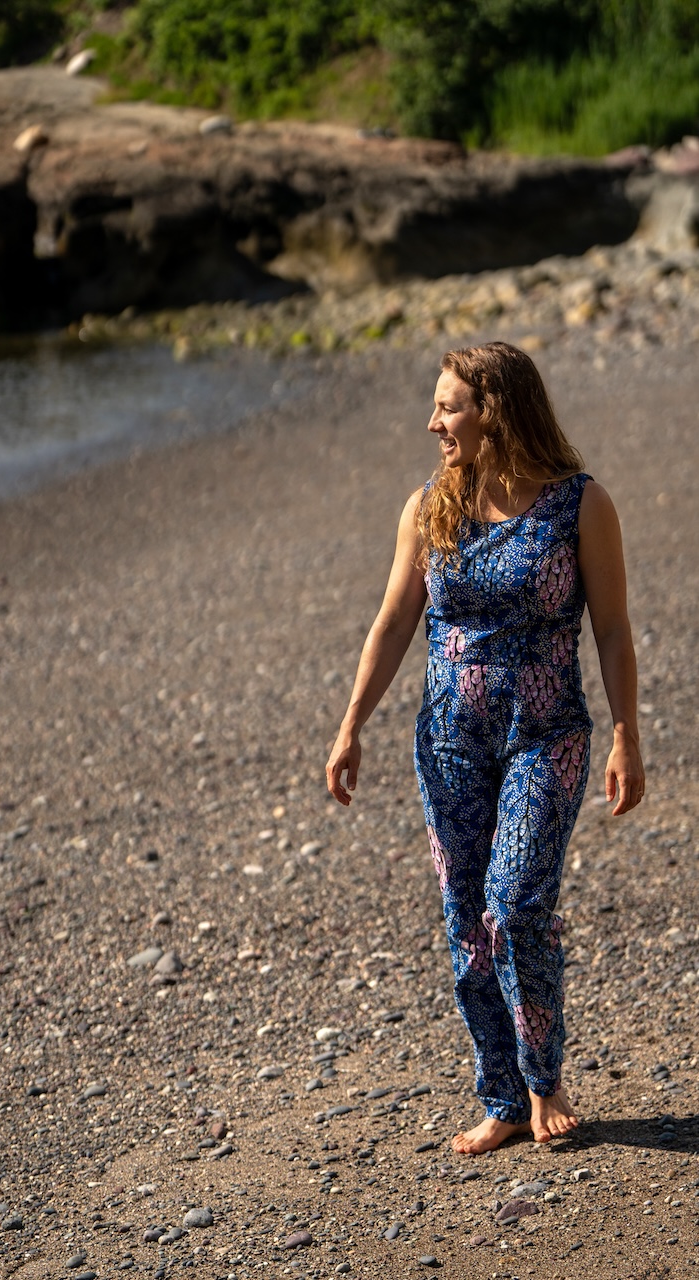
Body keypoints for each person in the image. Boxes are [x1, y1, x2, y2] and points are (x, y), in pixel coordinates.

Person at [325, 341, 644, 1155]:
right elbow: (395, 620)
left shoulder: (580, 505)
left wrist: (624, 734)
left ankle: (544, 1083)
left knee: (514, 905)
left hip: (547, 737)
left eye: (447, 406)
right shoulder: (429, 506)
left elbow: (609, 627)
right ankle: (500, 1096)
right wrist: (351, 723)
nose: (431, 421)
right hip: (448, 744)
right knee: (466, 919)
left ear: (492, 410)